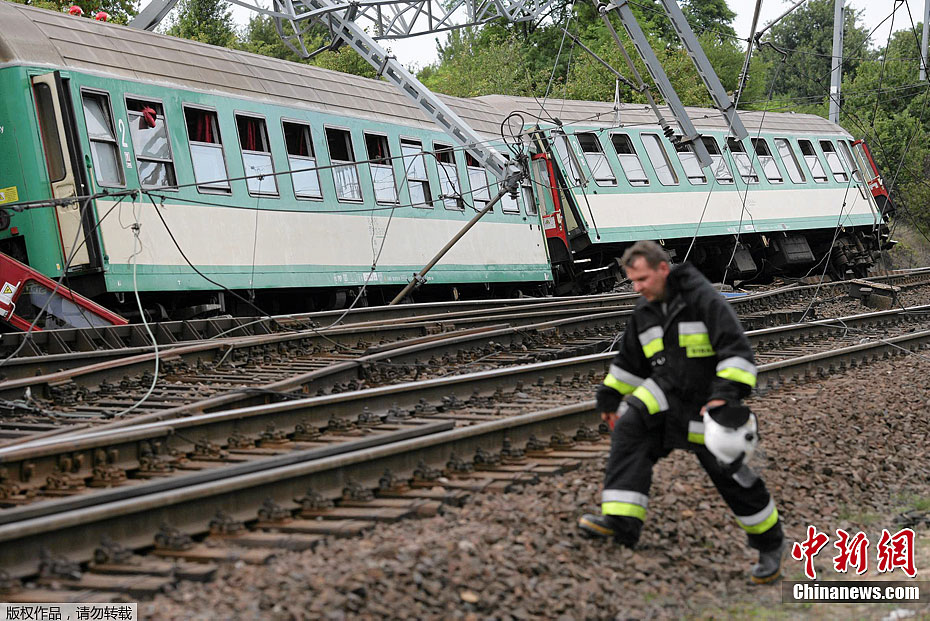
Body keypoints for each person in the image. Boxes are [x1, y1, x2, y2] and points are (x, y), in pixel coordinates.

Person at [578, 240, 785, 584]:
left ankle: (770, 545)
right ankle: (621, 522)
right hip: (664, 401)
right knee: (630, 431)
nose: (637, 288)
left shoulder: (703, 300)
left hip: (707, 406)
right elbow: (629, 365)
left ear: (663, 269)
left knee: (732, 476)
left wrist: (723, 397)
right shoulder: (644, 313)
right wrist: (609, 399)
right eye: (632, 281)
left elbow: (737, 354)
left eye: (642, 279)